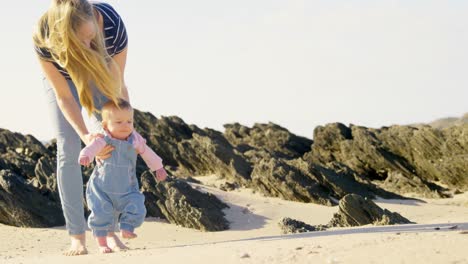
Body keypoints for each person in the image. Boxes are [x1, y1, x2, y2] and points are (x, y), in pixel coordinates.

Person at [33, 0, 132, 255]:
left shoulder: (112, 26)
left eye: (91, 38)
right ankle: (77, 236)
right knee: (68, 148)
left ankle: (108, 232)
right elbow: (65, 97)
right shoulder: (44, 34)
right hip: (64, 79)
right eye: (81, 41)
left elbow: (116, 87)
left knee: (113, 146)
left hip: (101, 70)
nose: (88, 45)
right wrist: (86, 135)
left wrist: (118, 130)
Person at [79, 99, 168, 253]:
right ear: (106, 126)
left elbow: (148, 154)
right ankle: (102, 244)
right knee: (101, 213)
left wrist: (158, 167)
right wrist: (85, 155)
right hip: (102, 188)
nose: (125, 125)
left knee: (137, 204)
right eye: (119, 122)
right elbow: (91, 148)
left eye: (129, 121)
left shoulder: (135, 141)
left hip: (127, 188)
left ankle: (127, 227)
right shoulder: (103, 140)